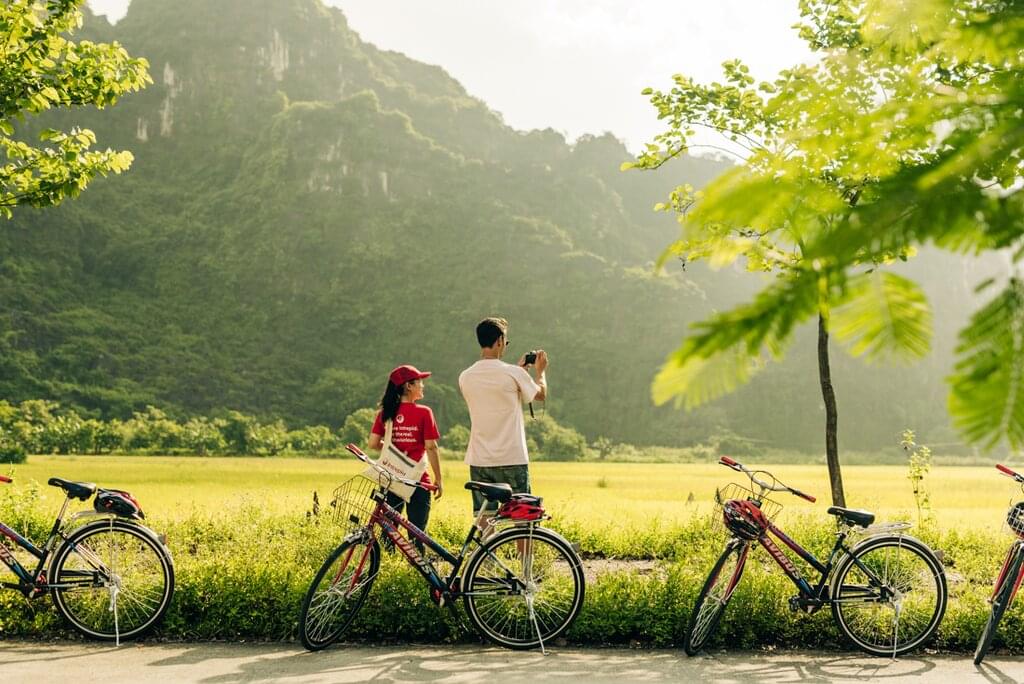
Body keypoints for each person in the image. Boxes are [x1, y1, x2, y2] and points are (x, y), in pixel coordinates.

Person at [458, 317, 547, 517]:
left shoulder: (465, 376)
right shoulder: (513, 373)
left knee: (484, 516)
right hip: (512, 456)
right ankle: (521, 541)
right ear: (499, 340)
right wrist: (540, 372)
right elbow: (540, 395)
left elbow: (493, 396)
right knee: (523, 517)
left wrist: (520, 372)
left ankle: (485, 540)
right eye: (506, 341)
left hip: (479, 458)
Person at [368, 364, 443, 550]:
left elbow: (373, 443)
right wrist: (439, 479)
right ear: (409, 386)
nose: (423, 385)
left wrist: (394, 452)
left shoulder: (385, 413)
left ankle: (389, 563)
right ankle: (417, 566)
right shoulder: (424, 412)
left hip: (391, 477)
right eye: (419, 382)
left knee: (389, 532)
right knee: (417, 534)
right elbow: (431, 447)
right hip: (418, 480)